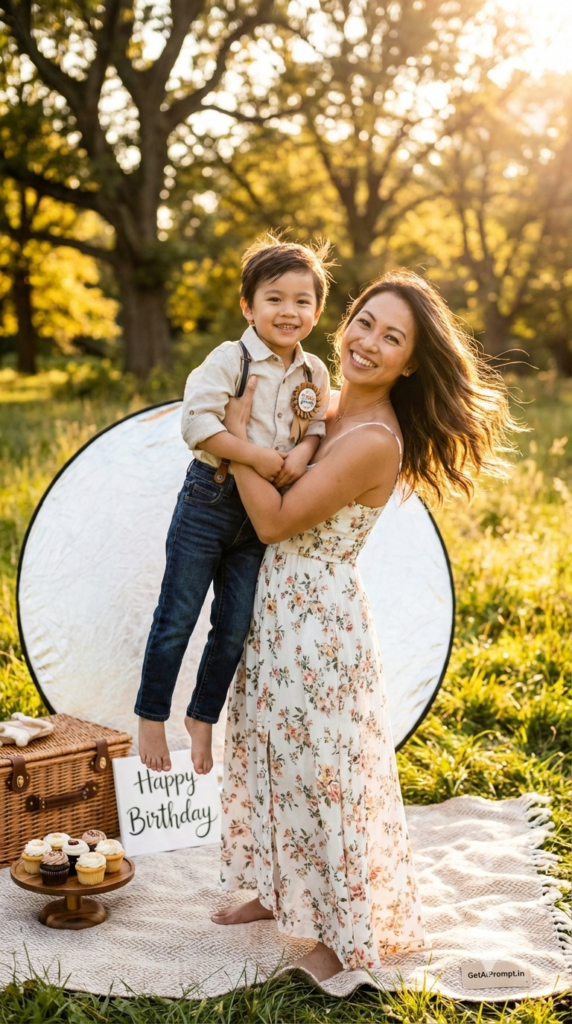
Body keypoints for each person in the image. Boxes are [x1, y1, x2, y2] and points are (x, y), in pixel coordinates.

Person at [211, 270, 515, 981]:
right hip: (274, 607)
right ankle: (276, 889)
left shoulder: (375, 437)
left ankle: (337, 932)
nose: (369, 342)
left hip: (319, 625)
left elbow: (275, 518)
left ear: (410, 362)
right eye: (364, 322)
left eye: (392, 337)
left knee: (324, 774)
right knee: (269, 749)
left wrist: (232, 436)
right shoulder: (326, 400)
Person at [135, 236, 333, 775]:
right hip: (210, 498)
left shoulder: (315, 371)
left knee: (235, 624)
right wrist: (256, 455)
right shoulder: (232, 358)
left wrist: (305, 453)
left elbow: (315, 426)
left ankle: (202, 716)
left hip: (264, 512)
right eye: (274, 298)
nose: (288, 311)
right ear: (248, 306)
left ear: (316, 310)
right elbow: (196, 425)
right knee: (178, 614)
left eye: (301, 300)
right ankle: (152, 714)